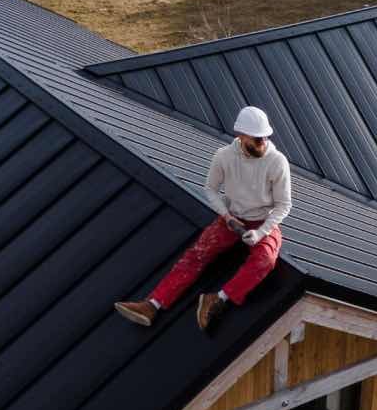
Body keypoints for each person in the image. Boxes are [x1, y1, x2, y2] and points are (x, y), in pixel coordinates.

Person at [114, 106, 292, 331]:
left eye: (263, 138)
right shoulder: (224, 157)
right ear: (240, 136)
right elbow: (210, 189)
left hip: (263, 222)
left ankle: (218, 299)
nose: (261, 143)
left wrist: (261, 231)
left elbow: (284, 205)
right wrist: (227, 217)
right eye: (255, 139)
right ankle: (152, 304)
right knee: (197, 254)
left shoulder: (277, 162)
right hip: (231, 218)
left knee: (265, 260)